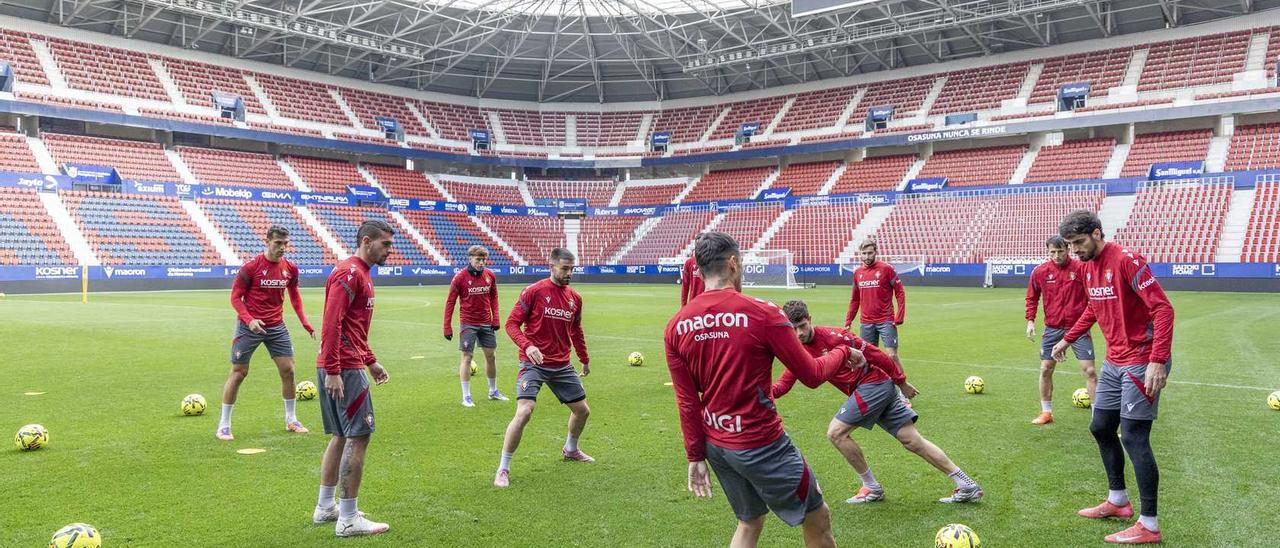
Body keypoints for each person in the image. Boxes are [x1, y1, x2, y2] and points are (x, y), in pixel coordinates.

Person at [665, 231, 858, 548]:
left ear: (697, 269)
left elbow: (687, 402)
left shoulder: (676, 324)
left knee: (750, 521)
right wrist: (843, 353)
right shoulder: (763, 313)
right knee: (817, 515)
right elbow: (810, 375)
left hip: (716, 446)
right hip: (760, 444)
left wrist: (694, 455)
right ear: (733, 263)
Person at [772, 300, 982, 505]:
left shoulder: (837, 337)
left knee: (836, 433)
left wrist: (902, 382)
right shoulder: (798, 351)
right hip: (873, 390)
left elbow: (877, 355)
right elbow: (783, 384)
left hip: (874, 384)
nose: (799, 333)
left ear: (810, 319)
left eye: (803, 326)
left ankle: (871, 487)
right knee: (911, 440)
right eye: (794, 329)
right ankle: (966, 484)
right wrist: (760, 395)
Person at [1052, 210, 1173, 545]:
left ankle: (1149, 524)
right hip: (1114, 361)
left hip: (1141, 361)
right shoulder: (1087, 268)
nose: (1074, 251)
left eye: (1079, 243)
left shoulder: (1127, 260)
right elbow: (1093, 308)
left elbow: (1163, 309)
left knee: (1134, 436)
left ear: (1096, 233)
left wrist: (1158, 360)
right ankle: (1118, 501)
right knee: (1101, 426)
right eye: (1070, 245)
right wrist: (1067, 338)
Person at [312, 220, 395, 537]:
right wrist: (334, 369)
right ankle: (348, 519)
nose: (389, 250)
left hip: (344, 363)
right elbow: (332, 323)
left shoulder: (360, 274)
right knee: (358, 436)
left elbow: (352, 329)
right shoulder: (350, 273)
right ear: (366, 241)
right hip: (342, 368)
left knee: (341, 436)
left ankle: (325, 508)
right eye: (385, 244)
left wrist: (371, 361)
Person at [494, 248, 592, 488]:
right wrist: (528, 347)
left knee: (582, 411)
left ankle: (570, 449)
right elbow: (511, 324)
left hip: (561, 364)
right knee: (524, 411)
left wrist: (584, 358)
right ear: (551, 266)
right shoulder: (534, 291)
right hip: (533, 363)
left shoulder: (575, 298)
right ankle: (503, 469)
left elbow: (576, 330)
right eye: (564, 269)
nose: (569, 273)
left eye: (572, 269)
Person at [218, 225, 314, 441]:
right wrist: (249, 320)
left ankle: (291, 419)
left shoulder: (290, 268)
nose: (282, 247)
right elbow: (235, 297)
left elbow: (295, 296)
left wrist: (305, 322)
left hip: (276, 326)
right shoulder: (250, 268)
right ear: (267, 241)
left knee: (288, 370)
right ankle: (224, 424)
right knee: (239, 372)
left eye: (285, 243)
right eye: (278, 243)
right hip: (249, 326)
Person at [1025, 235, 1098, 425]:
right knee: (1045, 369)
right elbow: (1032, 298)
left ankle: (1098, 419)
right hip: (1052, 329)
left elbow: (1093, 297)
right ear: (1047, 252)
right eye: (1052, 252)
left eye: (1060, 251)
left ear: (1068, 249)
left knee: (1089, 371)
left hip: (1079, 328)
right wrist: (1030, 321)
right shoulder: (1040, 272)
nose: (1056, 256)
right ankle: (1046, 412)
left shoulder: (1082, 269)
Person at [443, 245, 508, 407]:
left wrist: (496, 318)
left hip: (486, 323)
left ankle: (493, 391)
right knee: (467, 357)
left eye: (483, 259)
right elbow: (450, 302)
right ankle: (466, 396)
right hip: (468, 323)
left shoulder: (490, 275)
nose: (481, 263)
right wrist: (447, 326)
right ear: (470, 259)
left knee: (491, 356)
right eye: (478, 259)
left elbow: (494, 297)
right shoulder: (460, 277)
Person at [843, 239, 906, 369]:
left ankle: (902, 387)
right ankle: (874, 386)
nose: (867, 256)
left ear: (875, 252)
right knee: (868, 357)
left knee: (892, 355)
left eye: (870, 253)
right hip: (866, 322)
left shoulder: (887, 269)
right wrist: (849, 320)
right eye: (864, 253)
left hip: (886, 320)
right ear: (860, 254)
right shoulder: (857, 273)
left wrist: (900, 315)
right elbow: (855, 299)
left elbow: (900, 292)